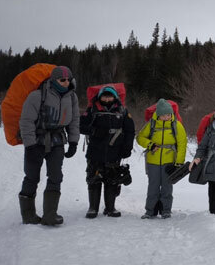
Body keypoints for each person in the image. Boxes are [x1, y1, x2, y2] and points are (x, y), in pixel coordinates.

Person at [18, 66, 81, 226]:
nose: (66, 82)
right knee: (32, 177)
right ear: (54, 80)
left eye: (68, 79)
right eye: (62, 80)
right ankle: (28, 215)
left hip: (57, 141)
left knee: (55, 176)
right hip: (37, 141)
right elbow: (26, 122)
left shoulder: (72, 97)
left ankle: (50, 215)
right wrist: (30, 145)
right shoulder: (37, 96)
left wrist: (73, 142)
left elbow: (74, 121)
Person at [79, 85, 135, 218]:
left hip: (114, 152)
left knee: (112, 180)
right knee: (94, 178)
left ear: (115, 97)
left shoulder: (122, 111)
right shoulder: (92, 110)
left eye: (110, 96)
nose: (107, 98)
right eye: (105, 95)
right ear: (100, 96)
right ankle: (93, 208)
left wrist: (127, 148)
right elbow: (81, 126)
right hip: (95, 151)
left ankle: (110, 208)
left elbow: (130, 131)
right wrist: (94, 131)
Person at [136, 98, 187, 219]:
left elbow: (182, 144)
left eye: (169, 114)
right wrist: (150, 145)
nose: (166, 117)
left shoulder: (177, 125)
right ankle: (150, 211)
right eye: (164, 115)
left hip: (169, 162)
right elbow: (140, 137)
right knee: (153, 186)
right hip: (152, 161)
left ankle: (166, 210)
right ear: (158, 115)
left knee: (167, 186)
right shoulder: (151, 124)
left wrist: (179, 162)